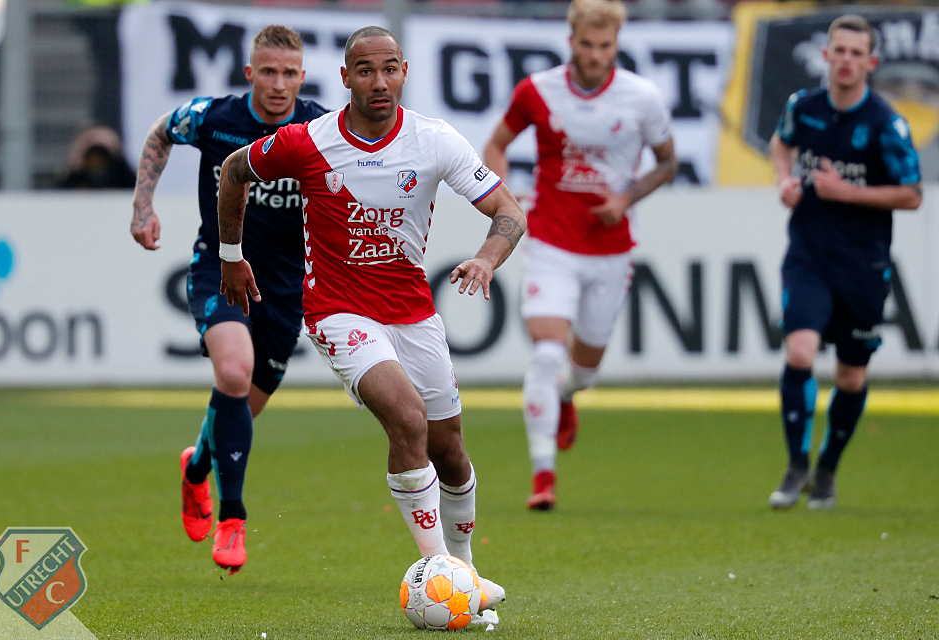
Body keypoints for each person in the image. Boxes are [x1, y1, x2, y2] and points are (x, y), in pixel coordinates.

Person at [216, 26, 525, 625]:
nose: (379, 82)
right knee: (407, 419)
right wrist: (232, 257)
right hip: (337, 310)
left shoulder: (433, 141)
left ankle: (464, 573)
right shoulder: (310, 141)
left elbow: (508, 211)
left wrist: (487, 259)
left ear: (404, 71)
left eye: (389, 69)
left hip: (412, 312)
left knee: (450, 451)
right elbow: (234, 170)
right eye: (365, 70)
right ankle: (437, 570)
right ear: (345, 77)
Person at [129, 25, 328, 573]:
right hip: (218, 272)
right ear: (249, 73)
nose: (278, 84)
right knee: (235, 374)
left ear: (302, 77)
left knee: (240, 407)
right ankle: (233, 518)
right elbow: (161, 132)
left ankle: (196, 468)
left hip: (286, 290)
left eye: (289, 73)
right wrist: (142, 206)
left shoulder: (318, 128)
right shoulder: (214, 118)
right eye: (268, 71)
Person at [483, 0, 677, 510]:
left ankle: (568, 395)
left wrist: (626, 199)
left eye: (604, 46)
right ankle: (543, 476)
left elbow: (667, 163)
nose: (595, 55)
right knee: (547, 353)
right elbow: (496, 144)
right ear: (571, 42)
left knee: (584, 370)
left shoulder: (642, 97)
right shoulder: (537, 91)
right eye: (586, 45)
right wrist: (503, 193)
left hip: (610, 249)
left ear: (616, 45)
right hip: (550, 239)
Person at [768, 14, 922, 510]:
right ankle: (796, 466)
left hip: (863, 265)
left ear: (871, 63)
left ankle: (827, 470)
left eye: (857, 53)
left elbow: (912, 194)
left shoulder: (885, 123)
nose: (847, 60)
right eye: (840, 51)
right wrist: (784, 181)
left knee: (851, 377)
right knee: (799, 354)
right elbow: (781, 144)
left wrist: (847, 192)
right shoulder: (804, 106)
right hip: (808, 255)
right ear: (826, 55)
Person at [59, 126, 136, 189]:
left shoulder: (123, 177)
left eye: (101, 155)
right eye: (92, 156)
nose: (96, 160)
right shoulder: (76, 179)